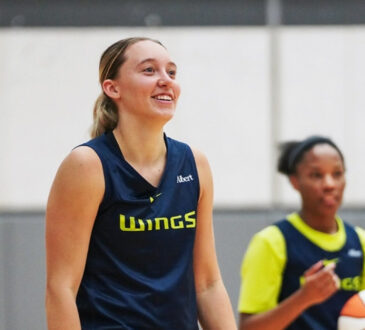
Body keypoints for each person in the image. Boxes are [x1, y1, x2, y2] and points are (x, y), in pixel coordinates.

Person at [45, 37, 236, 330]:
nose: (165, 81)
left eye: (171, 72)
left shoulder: (194, 164)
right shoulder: (87, 165)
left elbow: (208, 284)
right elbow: (61, 289)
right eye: (149, 70)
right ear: (112, 88)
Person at [238, 135, 365, 330]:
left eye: (337, 174)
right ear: (295, 181)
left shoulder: (359, 240)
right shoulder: (272, 241)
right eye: (316, 175)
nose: (330, 184)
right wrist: (304, 298)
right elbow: (249, 327)